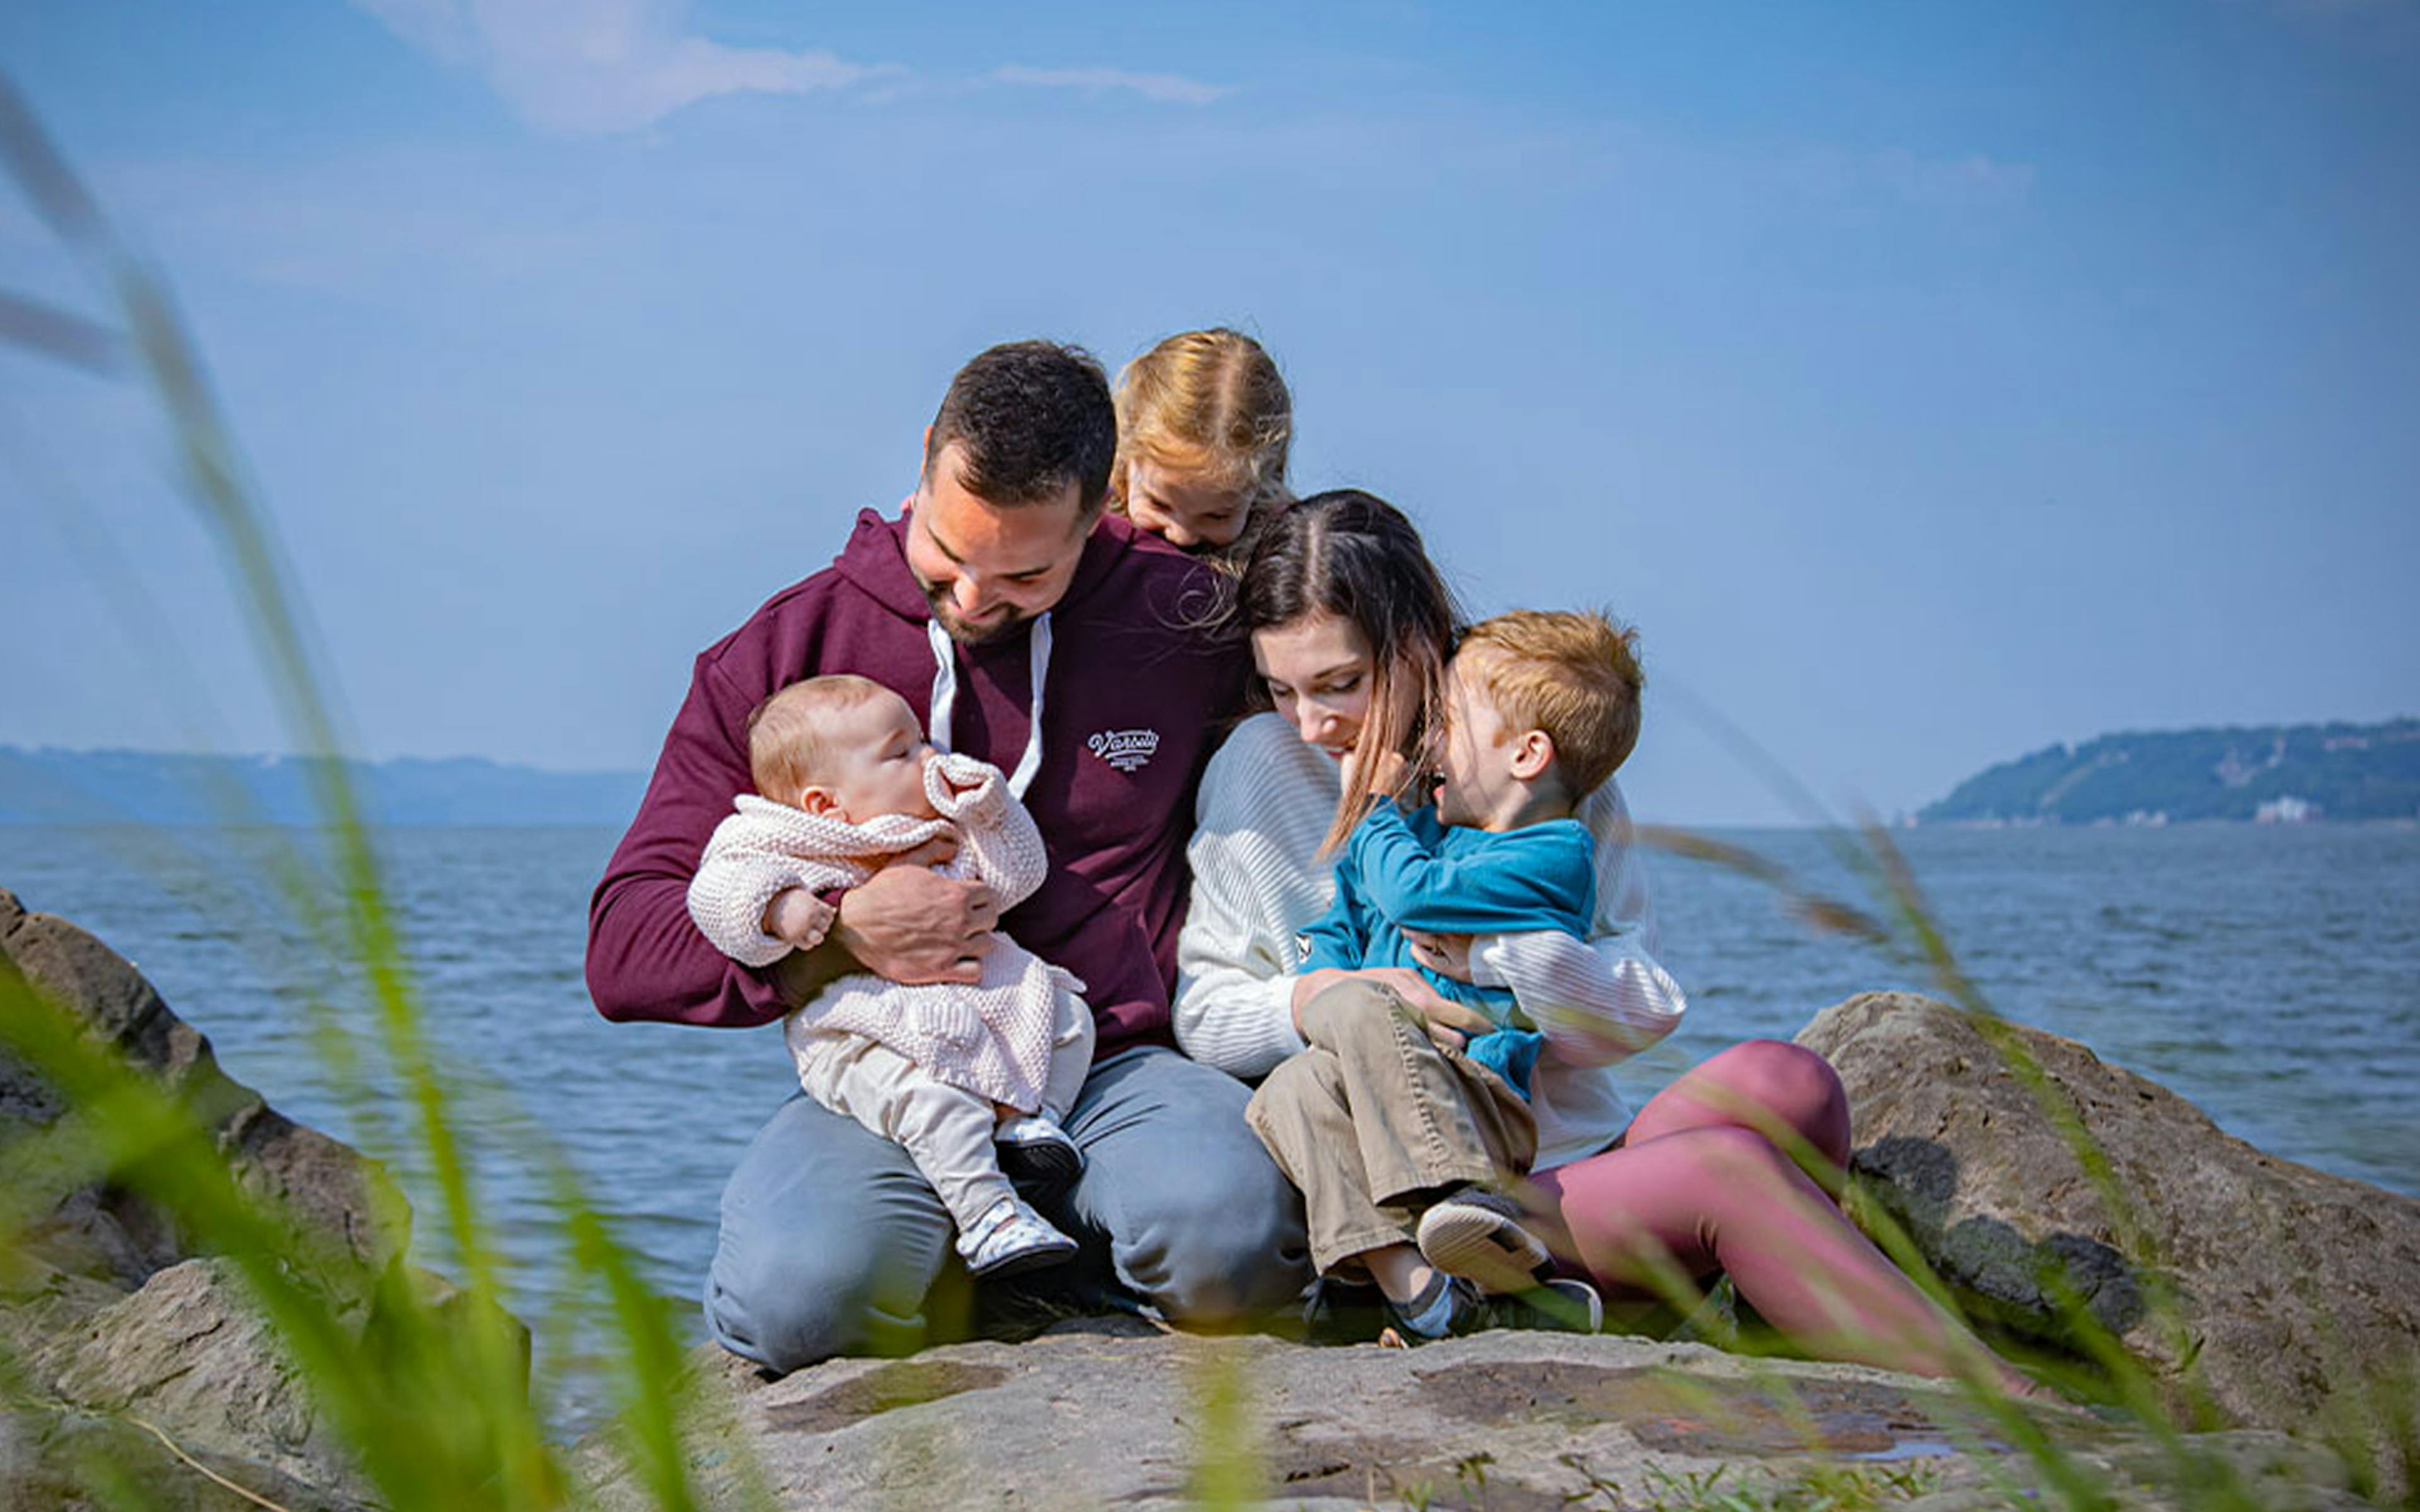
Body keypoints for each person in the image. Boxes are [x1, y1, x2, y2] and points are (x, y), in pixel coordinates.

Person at [1178, 489, 2037, 1391]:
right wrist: (1329, 999)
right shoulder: (1259, 769)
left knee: (1793, 1084)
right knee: (1729, 1171)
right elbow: (1204, 1014)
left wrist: (1504, 965)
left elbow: (1633, 1005)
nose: (1313, 724)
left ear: (1421, 644)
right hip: (1441, 1191)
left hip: (1575, 1161)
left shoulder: (1529, 761)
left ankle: (1692, 1308)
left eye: (1340, 684)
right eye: (1282, 689)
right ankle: (1999, 1400)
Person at [588, 340, 1309, 1375]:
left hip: (1110, 1061)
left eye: (1026, 573)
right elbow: (626, 943)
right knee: (798, 1307)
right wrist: (833, 941)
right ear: (926, 458)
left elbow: (1363, 680)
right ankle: (959, 1251)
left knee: (1231, 1246)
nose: (972, 599)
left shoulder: (1181, 618)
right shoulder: (785, 654)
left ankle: (1066, 1250)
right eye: (948, 554)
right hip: (891, 1076)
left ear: (1099, 503)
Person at [1247, 609, 1649, 1339]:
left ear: (1526, 755)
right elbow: (1351, 918)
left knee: (1367, 1008)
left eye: (1452, 722)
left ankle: (1473, 1208)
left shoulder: (1553, 853)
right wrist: (1327, 976)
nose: (1432, 739)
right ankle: (1431, 1297)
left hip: (1476, 1096)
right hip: (1387, 1094)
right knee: (1288, 1089)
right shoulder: (1432, 835)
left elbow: (1412, 895)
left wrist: (1370, 807)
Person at [686, 675, 1095, 1278]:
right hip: (864, 1030)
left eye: (923, 740)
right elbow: (716, 892)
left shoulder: (940, 828)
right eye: (902, 753)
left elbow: (1017, 879)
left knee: (1066, 1016)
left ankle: (1026, 1124)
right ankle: (987, 1216)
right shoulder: (779, 837)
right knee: (934, 1101)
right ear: (826, 803)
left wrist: (989, 809)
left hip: (974, 1000)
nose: (930, 757)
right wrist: (782, 909)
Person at [1107, 328, 1293, 559]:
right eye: (1159, 504)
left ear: (1261, 488)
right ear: (1125, 459)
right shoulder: (1077, 540)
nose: (1182, 537)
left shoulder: (1286, 564)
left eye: (1217, 516)